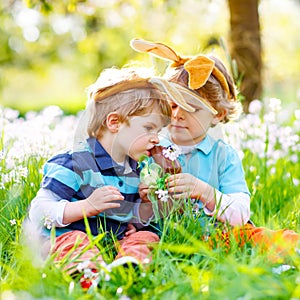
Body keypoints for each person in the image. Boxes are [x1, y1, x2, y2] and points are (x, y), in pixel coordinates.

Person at [131, 39, 299, 261]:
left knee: (256, 236)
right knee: (139, 239)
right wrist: (143, 202)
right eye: (171, 105)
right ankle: (130, 265)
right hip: (165, 238)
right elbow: (133, 210)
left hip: (218, 235)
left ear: (218, 114)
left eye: (191, 107)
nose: (177, 114)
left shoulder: (223, 156)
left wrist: (205, 191)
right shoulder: (150, 149)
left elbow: (240, 214)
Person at [24, 66, 172, 287]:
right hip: (66, 239)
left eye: (158, 132)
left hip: (109, 243)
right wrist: (86, 207)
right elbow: (39, 211)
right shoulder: (74, 162)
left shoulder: (136, 170)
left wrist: (144, 210)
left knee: (148, 237)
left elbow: (128, 219)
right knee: (76, 241)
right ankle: (89, 276)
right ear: (114, 123)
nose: (156, 139)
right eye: (149, 128)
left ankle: (128, 268)